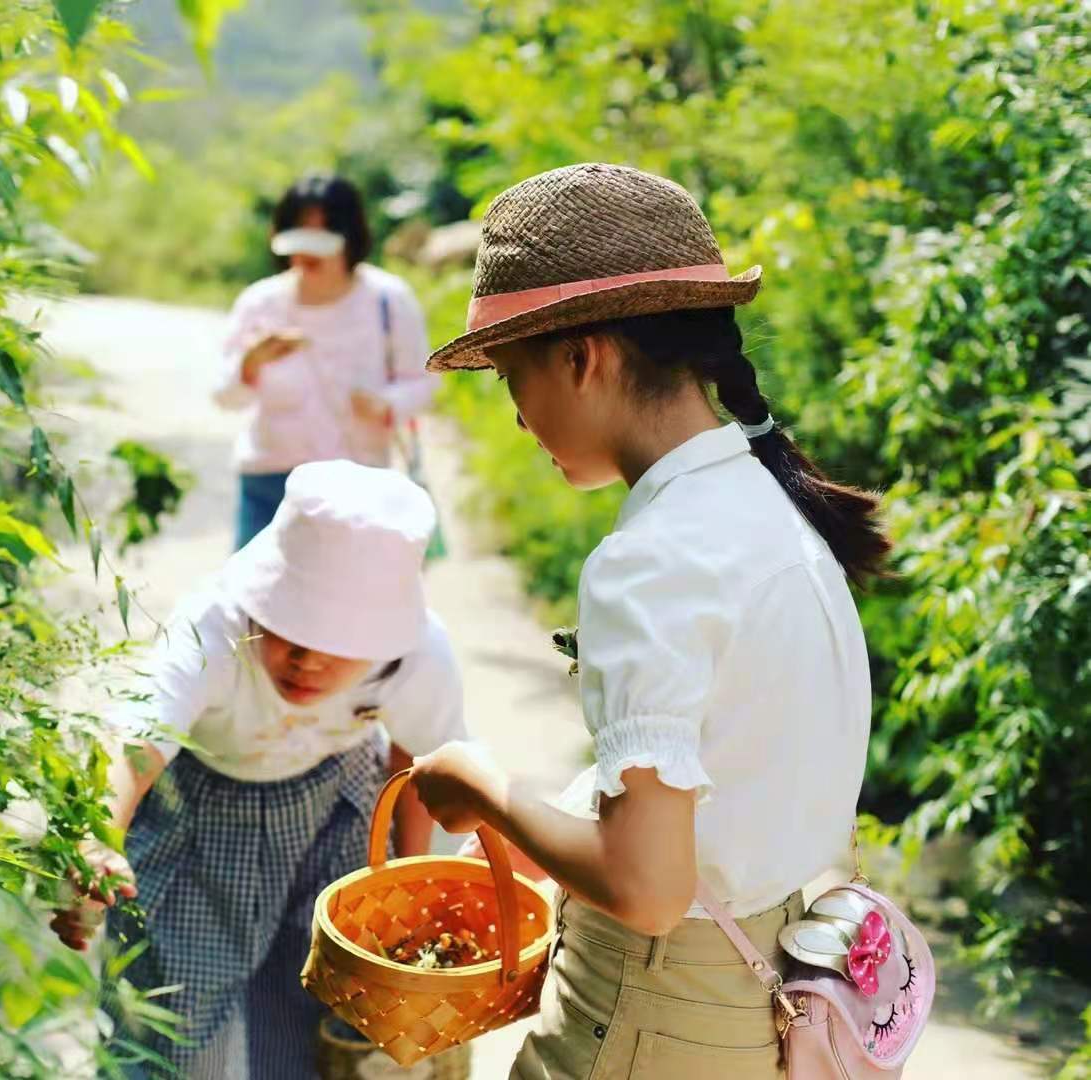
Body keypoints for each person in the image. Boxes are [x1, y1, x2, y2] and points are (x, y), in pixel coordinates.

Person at [408, 164, 891, 1078]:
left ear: (582, 356)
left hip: (652, 1010)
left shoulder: (648, 561)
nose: (516, 417)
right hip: (760, 990)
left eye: (513, 375)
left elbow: (647, 887)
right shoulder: (772, 505)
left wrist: (483, 789)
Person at [51, 461, 467, 1079]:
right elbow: (136, 742)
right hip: (200, 814)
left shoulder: (417, 656)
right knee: (177, 1020)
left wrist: (405, 884)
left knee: (314, 999)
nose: (307, 659)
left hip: (336, 807)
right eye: (289, 628)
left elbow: (419, 764)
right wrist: (97, 837)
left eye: (340, 642)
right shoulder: (215, 625)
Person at [215, 175, 438, 549]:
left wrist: (386, 404)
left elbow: (425, 382)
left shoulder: (389, 301)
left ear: (350, 236)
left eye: (323, 233)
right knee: (254, 605)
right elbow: (223, 395)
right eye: (299, 232)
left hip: (359, 485)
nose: (308, 250)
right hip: (270, 485)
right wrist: (250, 364)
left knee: (351, 605)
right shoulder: (260, 303)